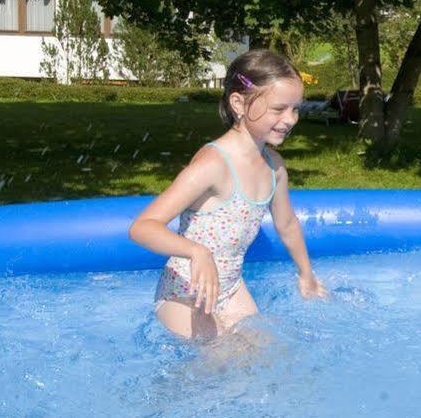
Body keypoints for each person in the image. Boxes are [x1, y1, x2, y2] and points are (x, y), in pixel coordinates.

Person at [128, 49, 327, 341]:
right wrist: (196, 251)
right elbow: (142, 227)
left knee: (270, 357)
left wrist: (306, 274)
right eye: (278, 109)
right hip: (184, 292)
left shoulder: (274, 167)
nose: (290, 119)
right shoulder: (214, 164)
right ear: (238, 103)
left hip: (230, 288)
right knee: (219, 363)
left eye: (295, 108)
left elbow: (287, 225)